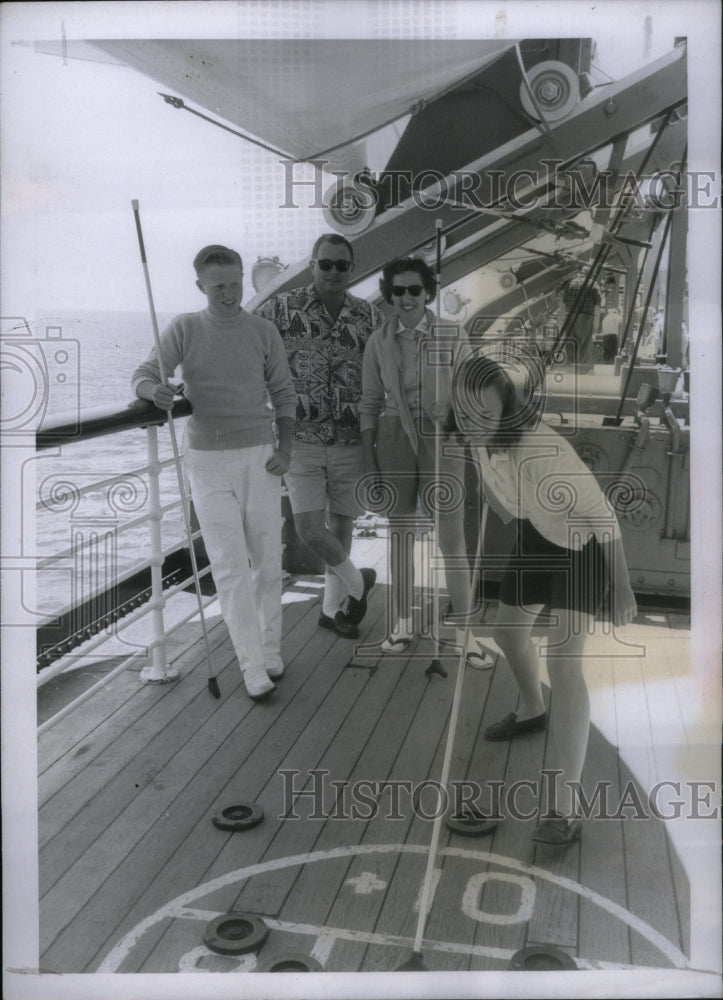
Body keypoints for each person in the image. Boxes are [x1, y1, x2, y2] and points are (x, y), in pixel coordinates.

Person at [451, 352, 637, 845]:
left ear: (507, 409)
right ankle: (533, 710)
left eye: (486, 415)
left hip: (584, 546)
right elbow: (504, 503)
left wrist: (621, 588)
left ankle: (564, 808)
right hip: (539, 535)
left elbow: (601, 517)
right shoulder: (477, 440)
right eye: (466, 413)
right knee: (508, 634)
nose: (475, 423)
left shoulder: (542, 449)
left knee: (564, 663)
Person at [132, 245, 297, 700]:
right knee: (228, 566)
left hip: (260, 457)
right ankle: (250, 665)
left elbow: (284, 393)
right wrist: (156, 392)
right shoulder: (184, 328)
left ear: (244, 279)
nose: (228, 292)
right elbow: (144, 374)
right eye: (218, 285)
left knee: (268, 560)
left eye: (235, 282)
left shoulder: (263, 331)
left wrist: (286, 449)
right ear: (200, 285)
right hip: (206, 460)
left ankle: (269, 647)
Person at [359, 257, 490, 666]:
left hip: (443, 438)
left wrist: (452, 411)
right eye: (397, 290)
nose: (406, 298)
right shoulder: (378, 341)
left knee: (451, 538)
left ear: (427, 292)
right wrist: (369, 459)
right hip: (395, 437)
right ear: (389, 294)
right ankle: (400, 623)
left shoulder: (452, 334)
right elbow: (369, 402)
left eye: (414, 289)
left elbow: (476, 390)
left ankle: (466, 632)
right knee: (399, 535)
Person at [256, 234, 381, 639]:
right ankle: (357, 583)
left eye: (341, 265)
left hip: (350, 440)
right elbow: (248, 350)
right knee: (310, 529)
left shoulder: (369, 317)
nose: (332, 271)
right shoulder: (279, 309)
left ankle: (332, 610)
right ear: (312, 264)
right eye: (325, 263)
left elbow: (385, 370)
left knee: (341, 526)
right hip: (302, 439)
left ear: (352, 268)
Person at [559, 272, 602, 371]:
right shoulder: (593, 283)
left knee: (571, 342)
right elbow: (598, 303)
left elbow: (563, 302)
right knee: (585, 343)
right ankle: (582, 368)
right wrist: (596, 324)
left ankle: (571, 366)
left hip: (570, 316)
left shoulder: (570, 284)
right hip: (586, 316)